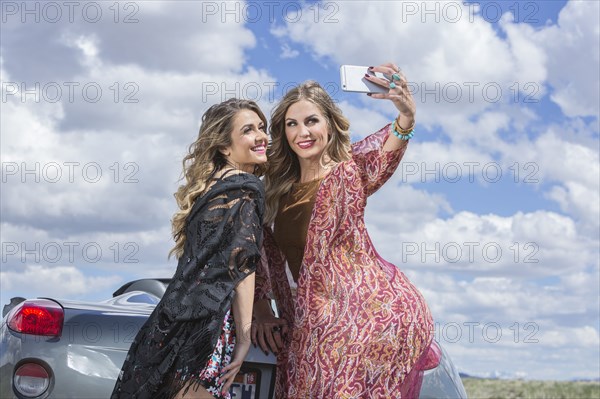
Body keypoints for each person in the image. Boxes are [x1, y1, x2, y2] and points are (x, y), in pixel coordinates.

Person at [252, 63, 434, 398]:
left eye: (311, 121)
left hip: (354, 323)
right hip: (304, 325)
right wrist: (261, 308)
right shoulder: (273, 190)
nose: (302, 132)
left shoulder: (349, 173)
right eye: (292, 124)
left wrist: (407, 115)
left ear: (330, 126)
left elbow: (385, 153)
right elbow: (257, 256)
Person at [111, 98, 269, 399]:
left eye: (261, 127)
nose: (261, 136)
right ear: (225, 146)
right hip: (206, 324)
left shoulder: (210, 187)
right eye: (248, 130)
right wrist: (245, 337)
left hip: (170, 320)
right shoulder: (246, 187)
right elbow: (242, 264)